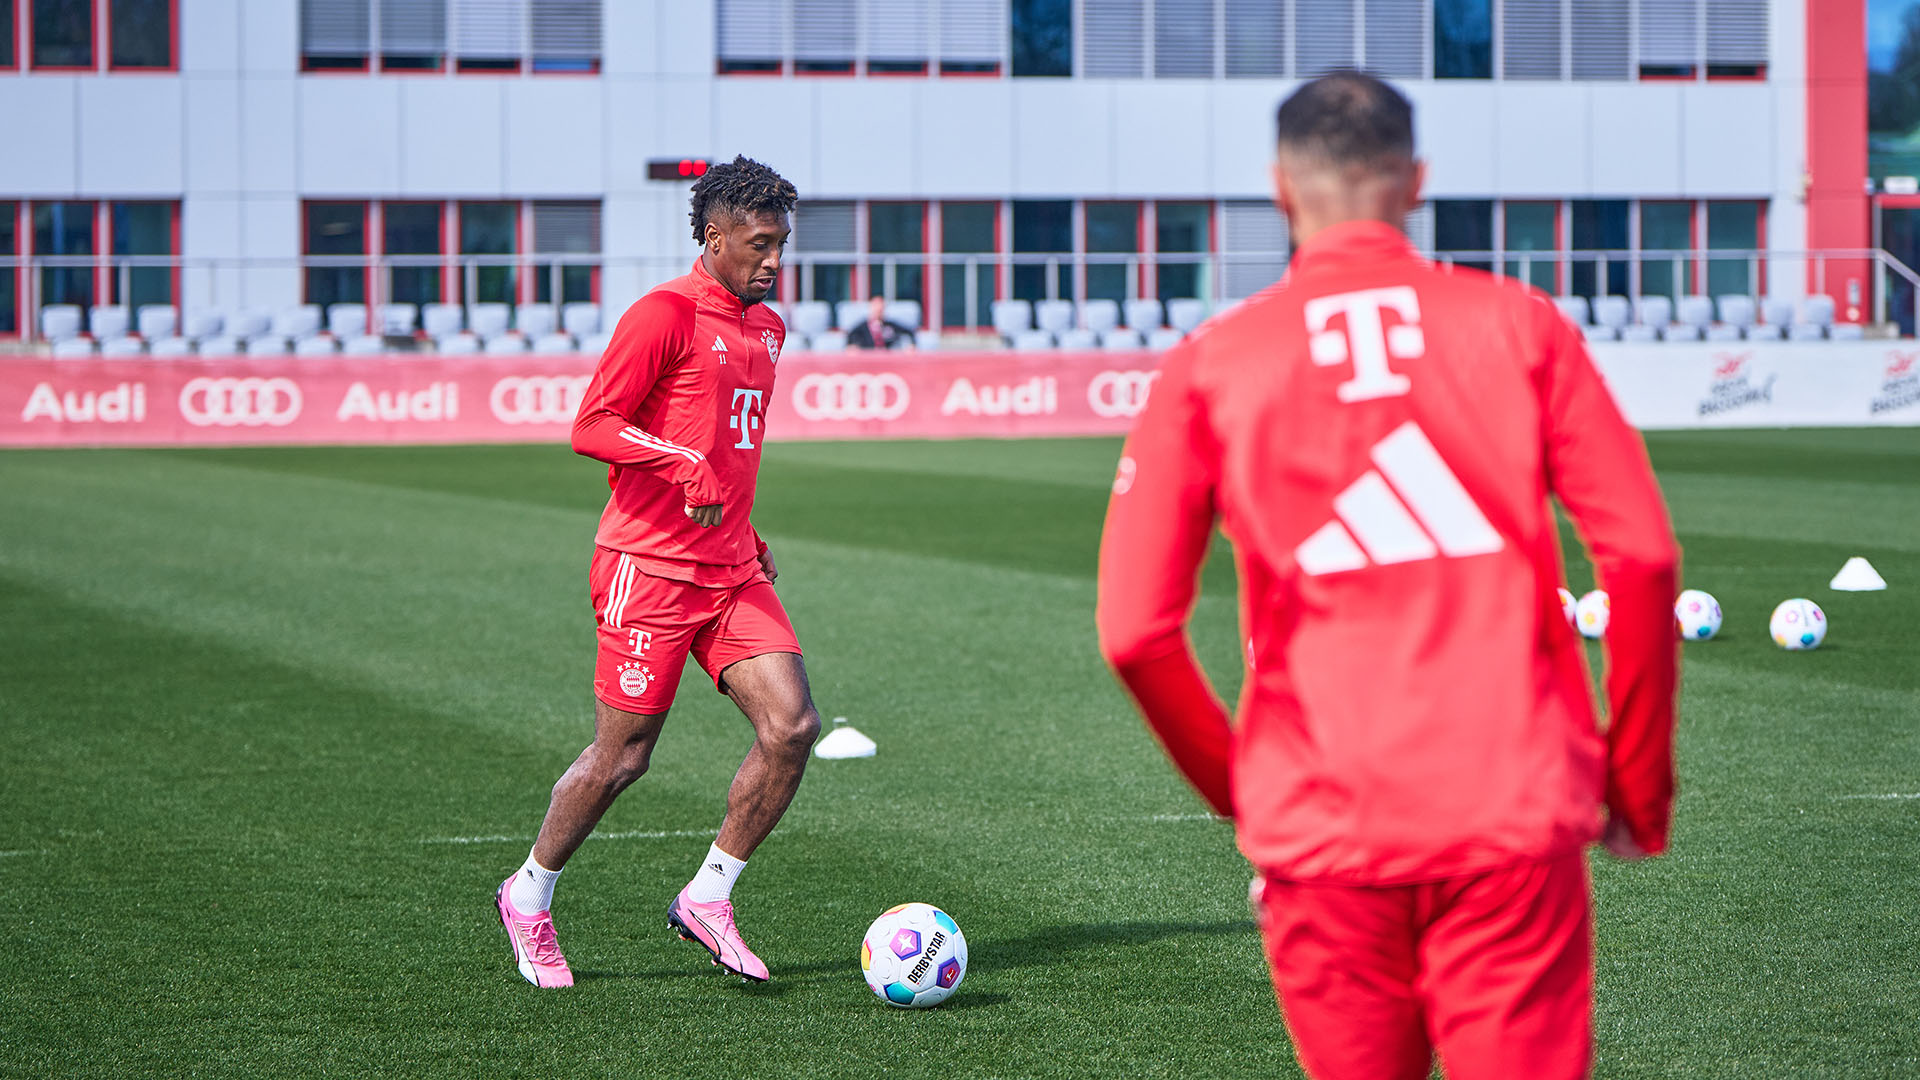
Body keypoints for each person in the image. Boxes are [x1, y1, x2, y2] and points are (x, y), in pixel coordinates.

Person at [1095, 73, 1678, 1080]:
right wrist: (1635, 791)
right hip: (1511, 813)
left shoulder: (1210, 365)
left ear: (1281, 189)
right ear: (1416, 182)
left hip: (1324, 830)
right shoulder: (1522, 324)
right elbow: (1643, 557)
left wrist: (1250, 799)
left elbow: (1134, 633)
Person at [495, 155, 820, 988]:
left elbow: (730, 451)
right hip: (649, 568)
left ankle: (709, 897)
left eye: (781, 244)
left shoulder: (770, 329)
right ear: (713, 237)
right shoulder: (663, 315)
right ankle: (528, 895)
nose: (774, 262)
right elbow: (592, 424)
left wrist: (749, 528)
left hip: (731, 568)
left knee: (791, 728)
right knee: (624, 760)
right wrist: (680, 465)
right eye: (759, 244)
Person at [845, 294, 916, 350]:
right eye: (876, 308)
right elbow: (850, 339)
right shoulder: (861, 328)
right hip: (868, 359)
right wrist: (852, 347)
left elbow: (909, 332)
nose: (878, 311)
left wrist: (910, 345)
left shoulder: (891, 325)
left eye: (881, 309)